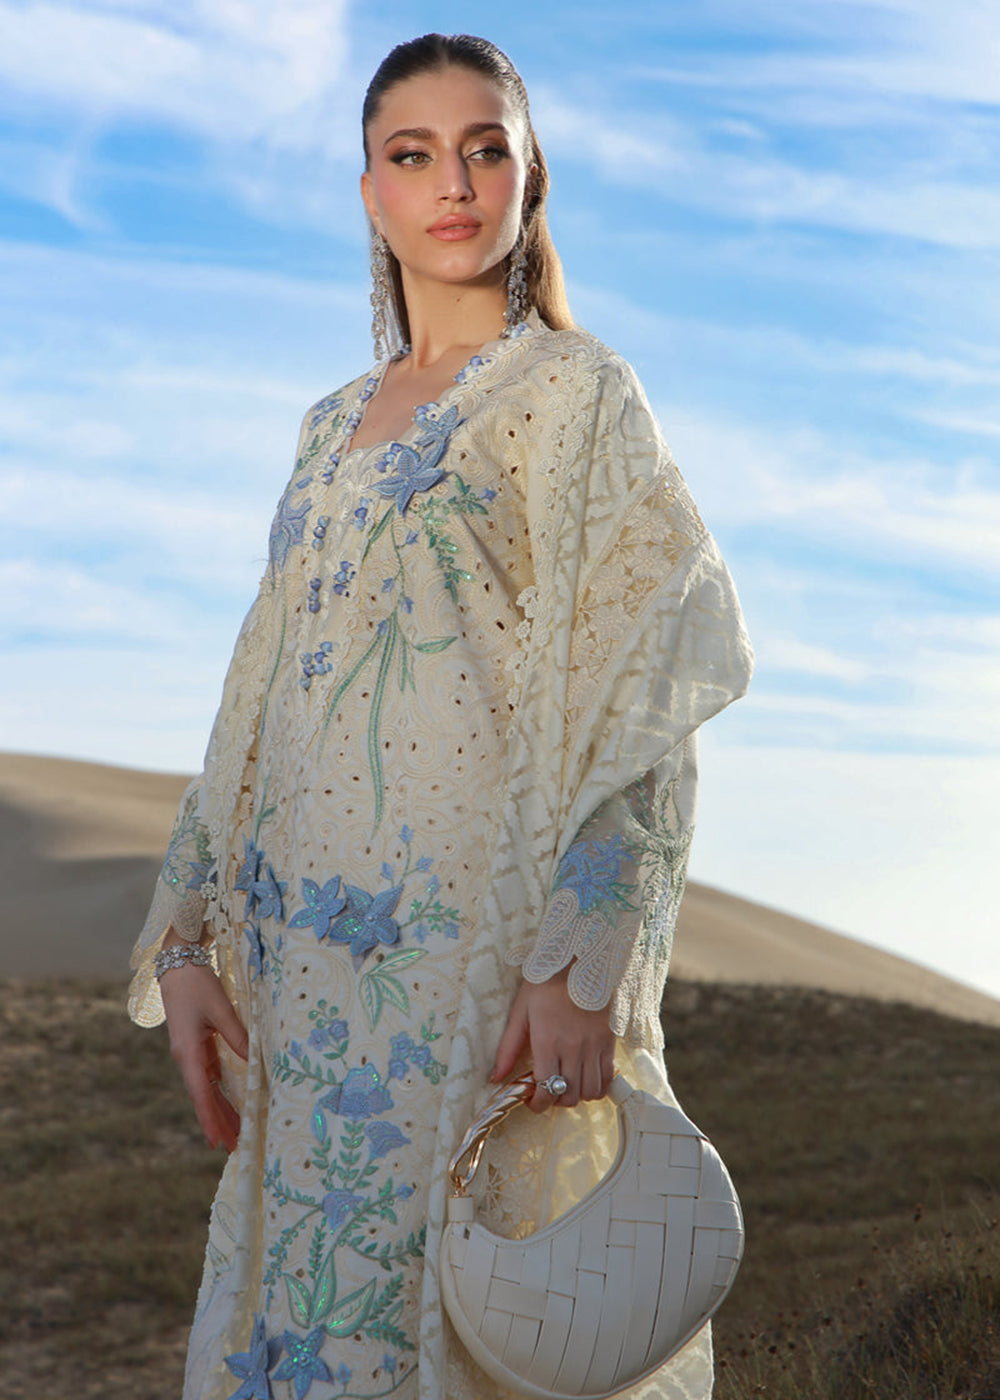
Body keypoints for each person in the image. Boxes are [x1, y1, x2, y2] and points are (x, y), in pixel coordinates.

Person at [129, 32, 753, 1400]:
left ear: (534, 177)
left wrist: (584, 954)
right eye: (414, 156)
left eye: (485, 150)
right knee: (301, 1320)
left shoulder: (575, 397)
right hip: (300, 966)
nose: (454, 184)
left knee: (457, 1314)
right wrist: (184, 937)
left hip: (472, 952)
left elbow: (645, 686)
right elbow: (257, 693)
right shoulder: (325, 426)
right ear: (372, 193)